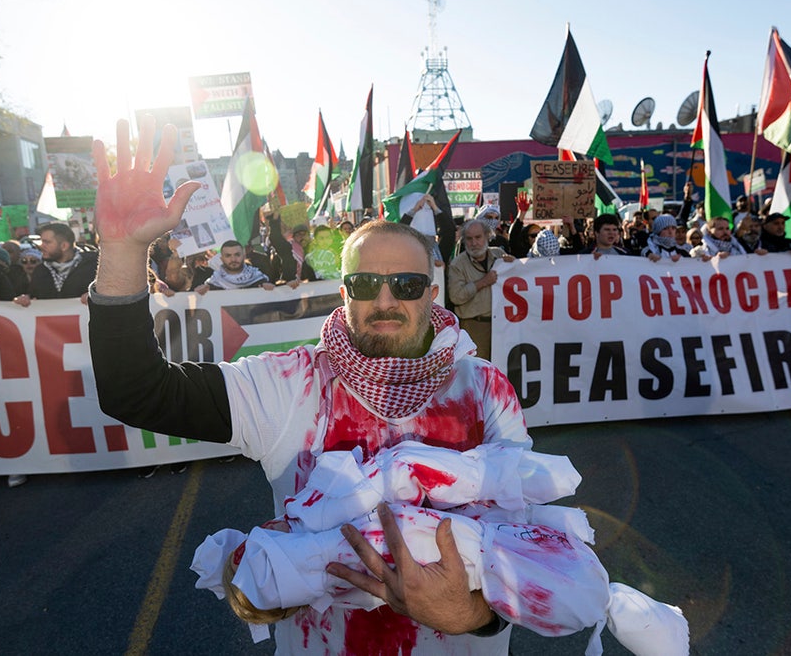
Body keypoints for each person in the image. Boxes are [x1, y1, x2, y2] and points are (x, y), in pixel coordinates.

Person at [87, 117, 529, 654]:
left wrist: (470, 614)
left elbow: (523, 546)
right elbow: (135, 389)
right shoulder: (289, 384)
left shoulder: (484, 388)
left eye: (406, 284)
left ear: (431, 294)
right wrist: (121, 253)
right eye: (366, 284)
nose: (386, 300)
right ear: (344, 294)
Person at [446, 219, 515, 362]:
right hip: (474, 326)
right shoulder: (457, 264)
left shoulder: (499, 255)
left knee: (502, 367)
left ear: (487, 237)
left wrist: (514, 264)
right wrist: (483, 282)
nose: (474, 243)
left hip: (501, 325)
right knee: (478, 370)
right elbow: (456, 296)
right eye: (469, 239)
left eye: (478, 237)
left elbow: (518, 278)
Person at [15, 222, 99, 304]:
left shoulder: (94, 267)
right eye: (42, 241)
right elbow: (34, 296)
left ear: (64, 246)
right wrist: (26, 298)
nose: (41, 246)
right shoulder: (40, 271)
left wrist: (95, 296)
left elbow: (109, 294)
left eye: (47, 242)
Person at [194, 240, 275, 293]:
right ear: (222, 259)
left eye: (237, 254)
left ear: (243, 256)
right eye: (228, 255)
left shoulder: (259, 279)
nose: (233, 259)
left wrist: (277, 288)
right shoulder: (212, 283)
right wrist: (197, 293)